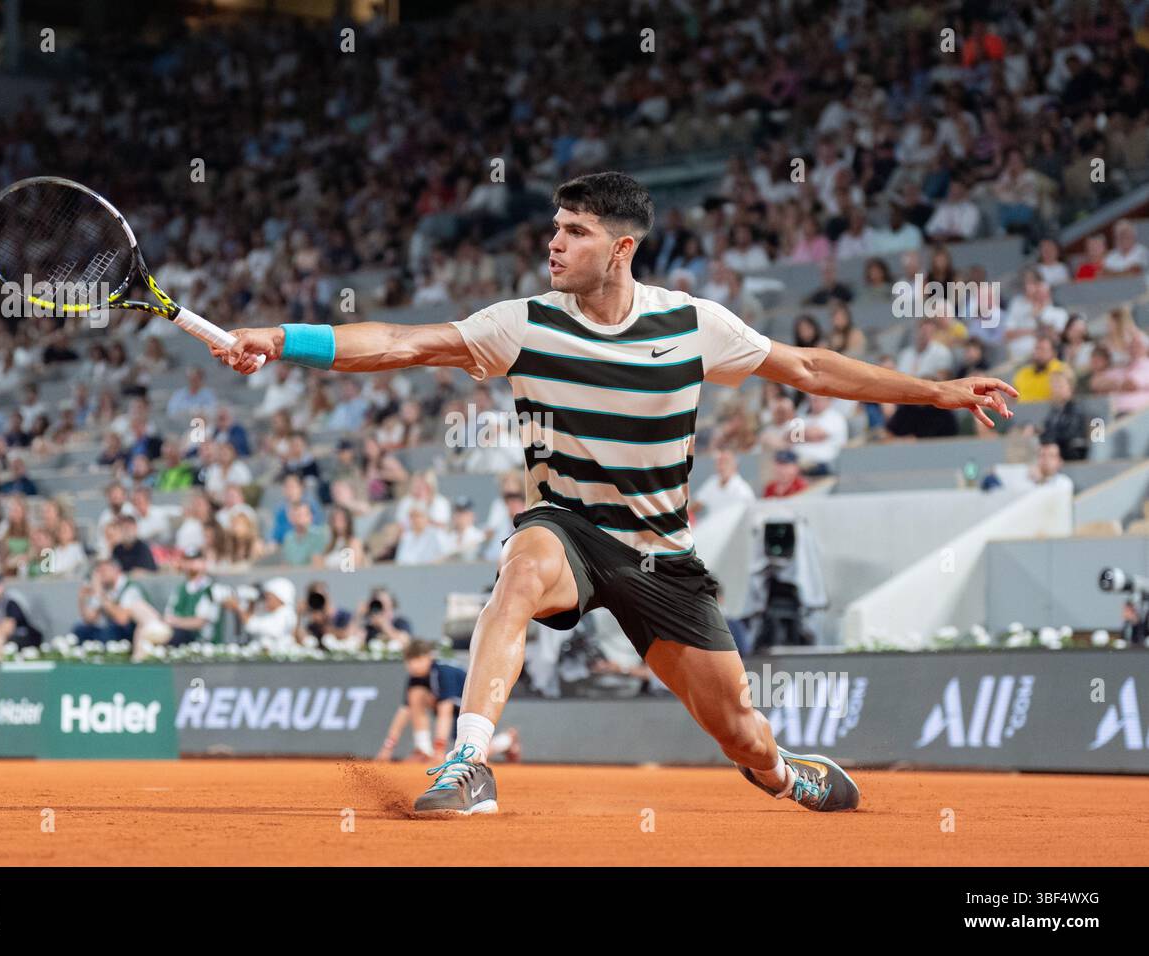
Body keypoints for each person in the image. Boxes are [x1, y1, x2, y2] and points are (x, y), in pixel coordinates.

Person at [216, 171, 1015, 815]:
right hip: (567, 527)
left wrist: (936, 391)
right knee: (521, 568)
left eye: (575, 232)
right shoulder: (522, 322)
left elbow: (807, 367)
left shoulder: (694, 323)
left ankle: (781, 772)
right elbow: (400, 341)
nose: (554, 244)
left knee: (741, 735)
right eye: (554, 228)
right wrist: (285, 339)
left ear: (621, 246)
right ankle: (468, 761)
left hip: (661, 554)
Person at [375, 640, 520, 764]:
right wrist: (388, 747)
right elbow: (405, 711)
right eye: (410, 661)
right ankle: (423, 749)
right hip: (453, 711)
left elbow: (445, 710)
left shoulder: (443, 672)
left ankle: (507, 740)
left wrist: (439, 749)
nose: (414, 665)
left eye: (418, 659)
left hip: (473, 707)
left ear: (429, 657)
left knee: (471, 753)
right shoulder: (415, 678)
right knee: (416, 695)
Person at [162, 549, 225, 646]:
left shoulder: (211, 589)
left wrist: (176, 622)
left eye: (196, 560)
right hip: (179, 635)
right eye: (187, 561)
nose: (191, 564)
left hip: (202, 641)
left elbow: (199, 622)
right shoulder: (180, 589)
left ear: (204, 563)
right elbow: (168, 616)